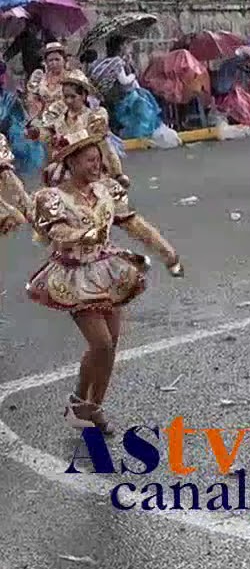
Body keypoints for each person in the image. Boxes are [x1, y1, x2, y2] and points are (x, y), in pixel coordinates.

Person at [26, 128, 183, 434]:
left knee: (110, 347)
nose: (96, 166)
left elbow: (134, 224)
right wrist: (82, 235)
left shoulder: (107, 190)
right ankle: (77, 401)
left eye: (98, 159)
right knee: (100, 343)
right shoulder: (52, 198)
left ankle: (93, 407)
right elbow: (54, 234)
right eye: (88, 160)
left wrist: (167, 252)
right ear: (70, 163)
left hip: (108, 270)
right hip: (73, 275)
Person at [29, 71, 128, 188]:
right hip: (65, 163)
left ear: (84, 96)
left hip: (91, 164)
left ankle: (117, 175)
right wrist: (37, 132)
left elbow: (93, 133)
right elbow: (48, 134)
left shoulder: (96, 114)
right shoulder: (58, 115)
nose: (69, 101)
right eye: (66, 97)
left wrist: (66, 140)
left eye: (73, 96)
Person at [24, 43, 84, 123]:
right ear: (46, 62)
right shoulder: (40, 78)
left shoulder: (74, 76)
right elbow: (31, 97)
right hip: (44, 119)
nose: (54, 63)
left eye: (57, 59)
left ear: (64, 60)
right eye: (50, 60)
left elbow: (81, 97)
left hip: (69, 118)